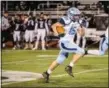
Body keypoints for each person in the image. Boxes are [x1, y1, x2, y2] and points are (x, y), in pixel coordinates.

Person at [42, 7, 87, 83]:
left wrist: (82, 27)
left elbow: (81, 34)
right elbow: (54, 26)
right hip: (64, 42)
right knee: (81, 51)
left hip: (70, 43)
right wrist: (59, 34)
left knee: (60, 60)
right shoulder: (65, 19)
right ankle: (69, 67)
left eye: (78, 15)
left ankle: (47, 73)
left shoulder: (78, 22)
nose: (77, 17)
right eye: (75, 15)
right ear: (70, 15)